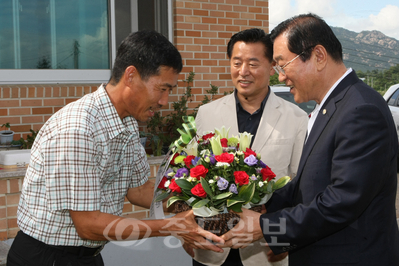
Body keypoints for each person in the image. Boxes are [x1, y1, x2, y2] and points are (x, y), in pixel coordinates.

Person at [7, 30, 224, 266]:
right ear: (130, 76)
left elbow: (139, 190)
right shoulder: (78, 128)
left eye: (169, 91)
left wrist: (202, 202)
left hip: (87, 256)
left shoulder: (128, 123)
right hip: (45, 258)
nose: (164, 101)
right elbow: (88, 225)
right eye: (162, 88)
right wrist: (172, 226)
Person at [220, 14, 399, 266]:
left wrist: (265, 226)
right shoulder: (330, 106)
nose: (280, 77)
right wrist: (264, 204)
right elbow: (308, 184)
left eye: (283, 64)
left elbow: (342, 201)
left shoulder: (361, 109)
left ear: (318, 56)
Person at [189, 28, 308, 266]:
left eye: (253, 64)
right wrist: (186, 233)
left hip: (265, 249)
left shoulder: (297, 118)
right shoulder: (206, 113)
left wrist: (286, 239)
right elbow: (190, 175)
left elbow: (301, 188)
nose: (243, 72)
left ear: (272, 66)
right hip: (213, 246)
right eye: (237, 63)